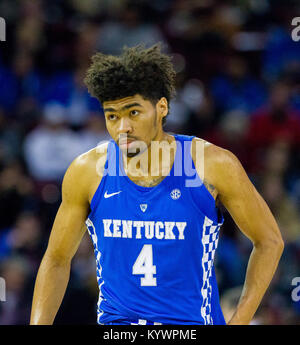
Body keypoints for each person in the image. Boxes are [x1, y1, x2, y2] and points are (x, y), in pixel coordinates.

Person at [30, 44, 284, 325]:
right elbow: (56, 260)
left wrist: (240, 320)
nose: (122, 127)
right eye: (112, 116)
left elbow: (269, 241)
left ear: (161, 107)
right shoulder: (89, 171)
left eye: (134, 112)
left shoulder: (209, 164)